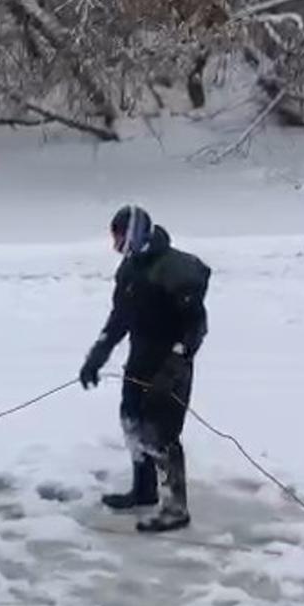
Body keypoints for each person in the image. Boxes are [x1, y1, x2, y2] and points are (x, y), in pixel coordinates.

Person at [79, 205, 210, 533]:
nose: (115, 244)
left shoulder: (174, 269)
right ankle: (144, 489)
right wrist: (97, 355)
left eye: (120, 236)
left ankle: (175, 508)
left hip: (170, 365)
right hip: (139, 359)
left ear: (136, 233)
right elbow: (119, 318)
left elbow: (197, 324)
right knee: (132, 422)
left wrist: (178, 360)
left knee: (162, 435)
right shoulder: (130, 269)